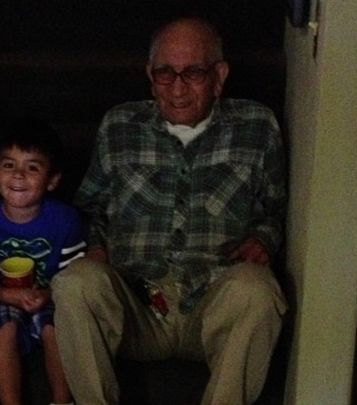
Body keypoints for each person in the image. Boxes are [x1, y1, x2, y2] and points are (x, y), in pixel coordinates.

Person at [51, 17, 288, 405]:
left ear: (219, 76)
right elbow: (90, 206)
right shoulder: (120, 125)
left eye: (193, 73)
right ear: (150, 75)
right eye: (165, 73)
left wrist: (263, 237)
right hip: (136, 304)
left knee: (259, 291)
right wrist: (95, 245)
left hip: (213, 303)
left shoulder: (256, 126)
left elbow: (274, 208)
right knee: (75, 283)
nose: (177, 88)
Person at [0, 117, 85, 405]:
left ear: (52, 180)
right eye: (9, 165)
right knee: (5, 330)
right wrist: (5, 295)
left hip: (51, 296)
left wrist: (47, 294)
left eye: (32, 167)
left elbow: (74, 274)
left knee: (56, 330)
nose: (18, 175)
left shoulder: (65, 220)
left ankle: (62, 401)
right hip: (3, 298)